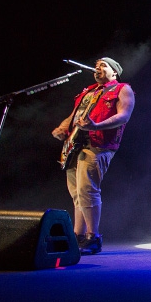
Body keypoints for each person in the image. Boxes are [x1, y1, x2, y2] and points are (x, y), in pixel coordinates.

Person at [51, 57, 135, 254]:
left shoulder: (122, 89)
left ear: (114, 71)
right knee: (77, 193)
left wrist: (96, 126)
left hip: (98, 143)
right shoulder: (88, 91)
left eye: (103, 65)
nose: (98, 68)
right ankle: (77, 236)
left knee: (88, 189)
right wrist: (63, 128)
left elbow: (124, 116)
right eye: (96, 66)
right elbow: (75, 115)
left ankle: (93, 237)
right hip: (74, 144)